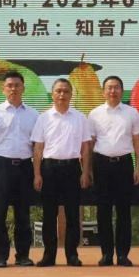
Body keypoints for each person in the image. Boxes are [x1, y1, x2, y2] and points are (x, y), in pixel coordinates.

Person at [32, 78, 92, 267]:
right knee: (49, 214)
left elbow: (85, 148)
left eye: (66, 91)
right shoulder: (43, 118)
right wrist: (37, 174)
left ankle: (72, 255)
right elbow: (38, 149)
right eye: (58, 91)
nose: (62, 94)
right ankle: (48, 255)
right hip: (49, 169)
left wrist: (85, 172)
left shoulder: (80, 118)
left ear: (71, 94)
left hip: (72, 168)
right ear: (52, 94)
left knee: (72, 214)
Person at [0, 71, 39, 268]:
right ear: (3, 89)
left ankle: (23, 255)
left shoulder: (33, 114)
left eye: (17, 85)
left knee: (23, 213)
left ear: (23, 88)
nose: (13, 89)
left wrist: (37, 172)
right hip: (1, 166)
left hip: (25, 166)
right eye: (9, 85)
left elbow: (37, 146)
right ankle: (0, 256)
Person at [89, 75, 139, 266]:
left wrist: (138, 168)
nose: (112, 91)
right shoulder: (94, 114)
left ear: (122, 90)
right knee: (103, 211)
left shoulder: (131, 112)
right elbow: (90, 143)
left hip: (124, 164)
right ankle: (106, 254)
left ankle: (122, 254)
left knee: (123, 210)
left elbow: (138, 141)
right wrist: (87, 170)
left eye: (116, 87)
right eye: (109, 87)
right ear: (103, 91)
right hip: (101, 164)